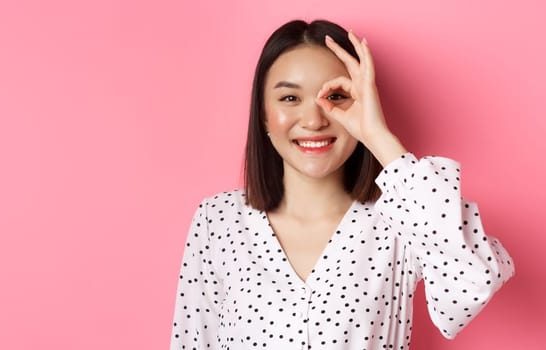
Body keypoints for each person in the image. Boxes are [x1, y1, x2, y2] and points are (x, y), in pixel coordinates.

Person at [169, 19, 514, 350]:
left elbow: (472, 282)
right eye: (290, 98)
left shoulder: (400, 221)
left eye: (334, 96)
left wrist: (377, 135)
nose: (314, 120)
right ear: (263, 114)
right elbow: (193, 341)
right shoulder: (218, 221)